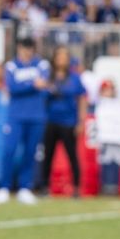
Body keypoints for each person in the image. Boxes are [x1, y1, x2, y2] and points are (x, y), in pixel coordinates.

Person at [0, 38, 49, 205]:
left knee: (30, 152)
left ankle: (25, 187)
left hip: (36, 116)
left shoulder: (42, 64)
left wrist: (25, 85)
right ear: (19, 48)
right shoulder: (11, 65)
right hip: (16, 116)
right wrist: (32, 85)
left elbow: (44, 84)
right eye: (24, 48)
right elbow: (12, 87)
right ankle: (4, 187)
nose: (27, 51)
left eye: (30, 48)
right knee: (9, 150)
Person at [41, 47, 87, 198]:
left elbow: (82, 99)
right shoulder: (48, 77)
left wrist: (81, 121)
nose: (61, 59)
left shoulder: (75, 78)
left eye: (64, 56)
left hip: (68, 122)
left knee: (72, 155)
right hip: (51, 121)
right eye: (59, 56)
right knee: (48, 155)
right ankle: (44, 187)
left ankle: (76, 188)